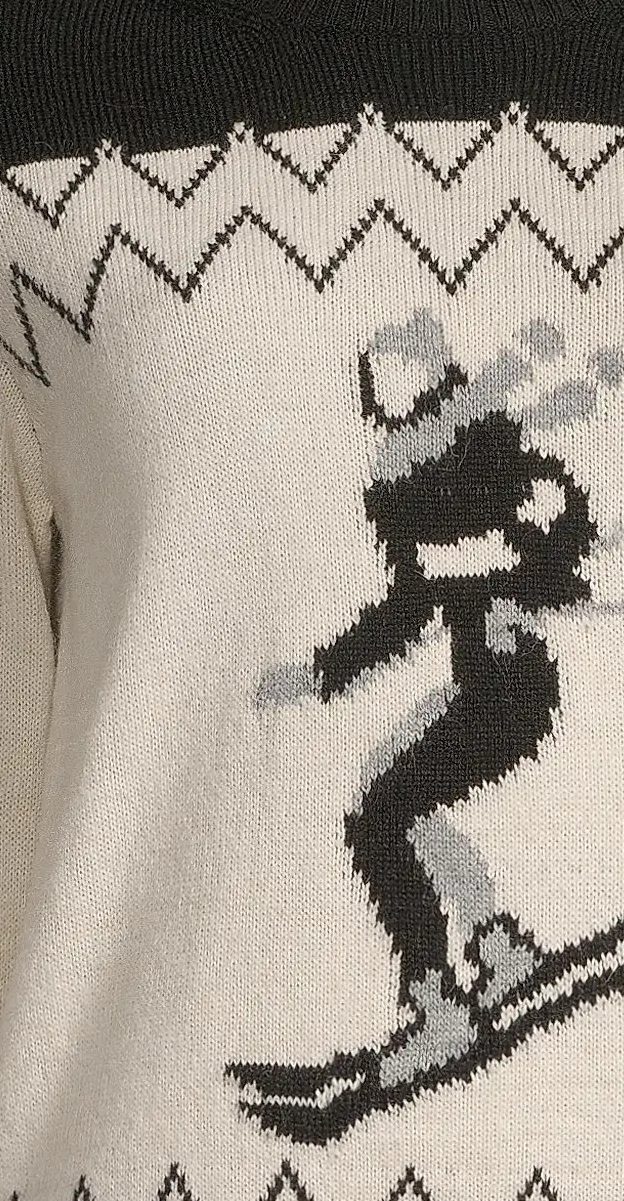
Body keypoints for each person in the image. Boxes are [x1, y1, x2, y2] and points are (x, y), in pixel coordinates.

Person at [257, 311, 600, 1088]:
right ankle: (498, 947)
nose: (404, 427)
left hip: (512, 683)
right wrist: (321, 673)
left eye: (416, 405)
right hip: (481, 682)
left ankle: (437, 1006)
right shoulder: (401, 491)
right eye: (390, 411)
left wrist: (530, 577)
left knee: (381, 816)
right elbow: (408, 612)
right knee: (394, 801)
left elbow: (567, 528)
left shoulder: (493, 450)